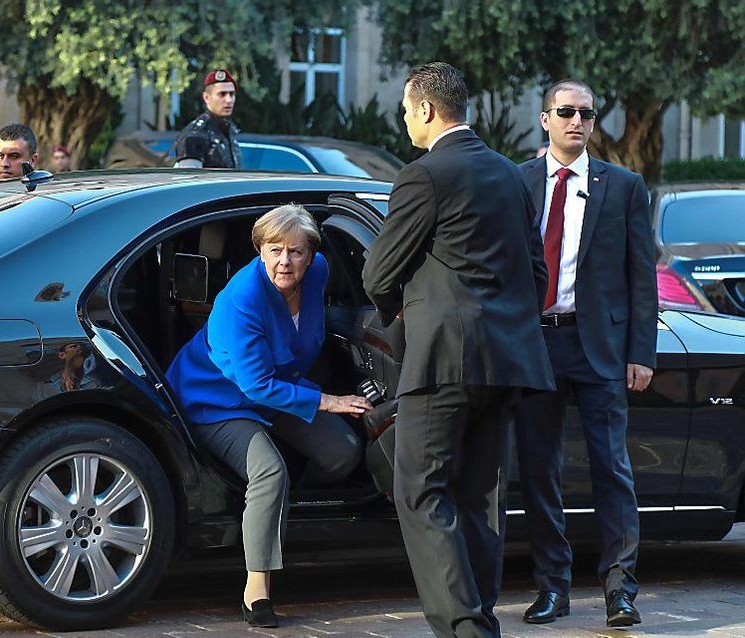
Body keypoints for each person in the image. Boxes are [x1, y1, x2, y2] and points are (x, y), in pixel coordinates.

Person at [361, 62, 554, 638]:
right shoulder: (513, 176)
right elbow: (537, 273)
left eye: (404, 108)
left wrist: (400, 310)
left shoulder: (423, 175)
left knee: (419, 490)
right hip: (508, 359)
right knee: (477, 497)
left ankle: (467, 627)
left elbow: (378, 273)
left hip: (443, 358)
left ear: (425, 109)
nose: (403, 118)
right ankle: (479, 612)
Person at [165, 204, 367, 628]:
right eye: (274, 250)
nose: (285, 261)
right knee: (269, 471)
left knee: (343, 452)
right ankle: (257, 588)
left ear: (311, 255)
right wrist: (328, 401)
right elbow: (254, 386)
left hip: (280, 391)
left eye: (295, 251)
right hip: (219, 400)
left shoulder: (318, 274)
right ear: (259, 250)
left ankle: (279, 511)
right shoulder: (241, 299)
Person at [514, 79, 657, 628]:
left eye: (587, 113)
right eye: (566, 112)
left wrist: (640, 351)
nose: (577, 121)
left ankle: (621, 592)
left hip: (600, 345)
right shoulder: (517, 181)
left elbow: (641, 277)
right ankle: (553, 588)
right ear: (545, 119)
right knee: (539, 470)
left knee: (612, 470)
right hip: (536, 344)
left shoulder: (623, 186)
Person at [173, 69, 241, 169]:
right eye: (222, 94)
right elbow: (190, 181)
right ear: (206, 97)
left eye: (231, 94)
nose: (229, 100)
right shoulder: (195, 135)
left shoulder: (228, 130)